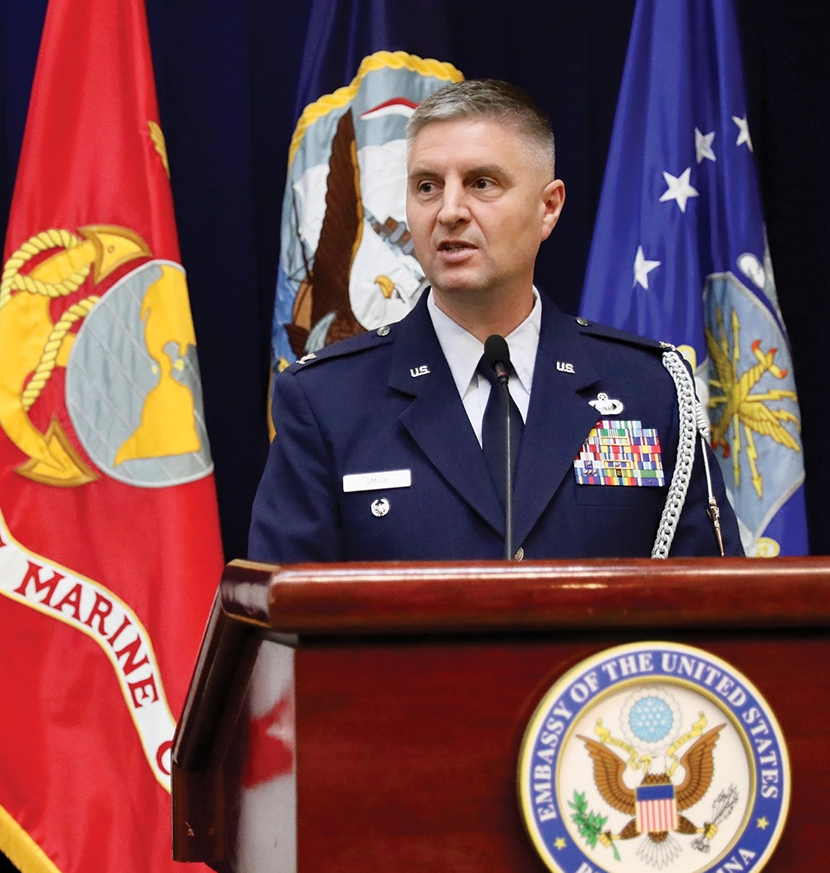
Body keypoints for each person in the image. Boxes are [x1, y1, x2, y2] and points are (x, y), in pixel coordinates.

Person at [249, 79, 741, 563]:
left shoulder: (650, 390)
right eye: (427, 186)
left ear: (548, 208)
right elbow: (285, 630)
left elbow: (712, 619)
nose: (449, 211)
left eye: (481, 183)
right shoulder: (325, 402)